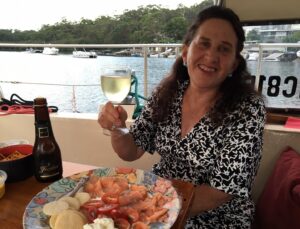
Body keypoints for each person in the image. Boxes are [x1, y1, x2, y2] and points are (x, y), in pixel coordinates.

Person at [98, 5, 266, 228]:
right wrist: (116, 127)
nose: (212, 56)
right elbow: (131, 150)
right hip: (159, 199)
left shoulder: (247, 109)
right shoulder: (168, 92)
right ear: (186, 53)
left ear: (234, 64)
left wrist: (153, 210)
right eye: (204, 43)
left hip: (216, 216)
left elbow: (221, 192)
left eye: (224, 49)